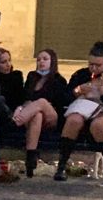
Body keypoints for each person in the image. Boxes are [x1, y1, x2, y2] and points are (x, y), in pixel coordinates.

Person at [55, 41, 103, 184]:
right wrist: (78, 90)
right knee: (73, 120)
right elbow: (64, 97)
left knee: (99, 125)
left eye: (98, 65)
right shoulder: (81, 75)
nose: (93, 68)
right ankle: (61, 166)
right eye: (91, 64)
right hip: (82, 112)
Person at [12, 48, 68, 177]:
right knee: (37, 115)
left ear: (52, 61)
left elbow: (59, 103)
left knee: (42, 102)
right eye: (38, 60)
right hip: (33, 117)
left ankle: (17, 120)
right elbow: (25, 98)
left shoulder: (59, 80)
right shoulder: (32, 77)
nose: (41, 62)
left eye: (45, 59)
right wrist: (23, 107)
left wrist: (33, 106)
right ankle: (31, 157)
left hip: (51, 117)